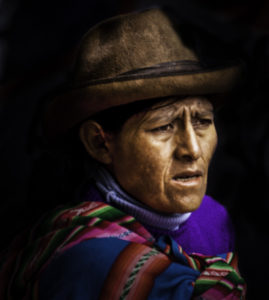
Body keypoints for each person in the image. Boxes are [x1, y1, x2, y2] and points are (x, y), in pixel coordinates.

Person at [0, 8, 246, 300]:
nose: (192, 150)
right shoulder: (85, 256)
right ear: (100, 143)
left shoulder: (213, 217)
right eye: (164, 126)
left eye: (202, 121)